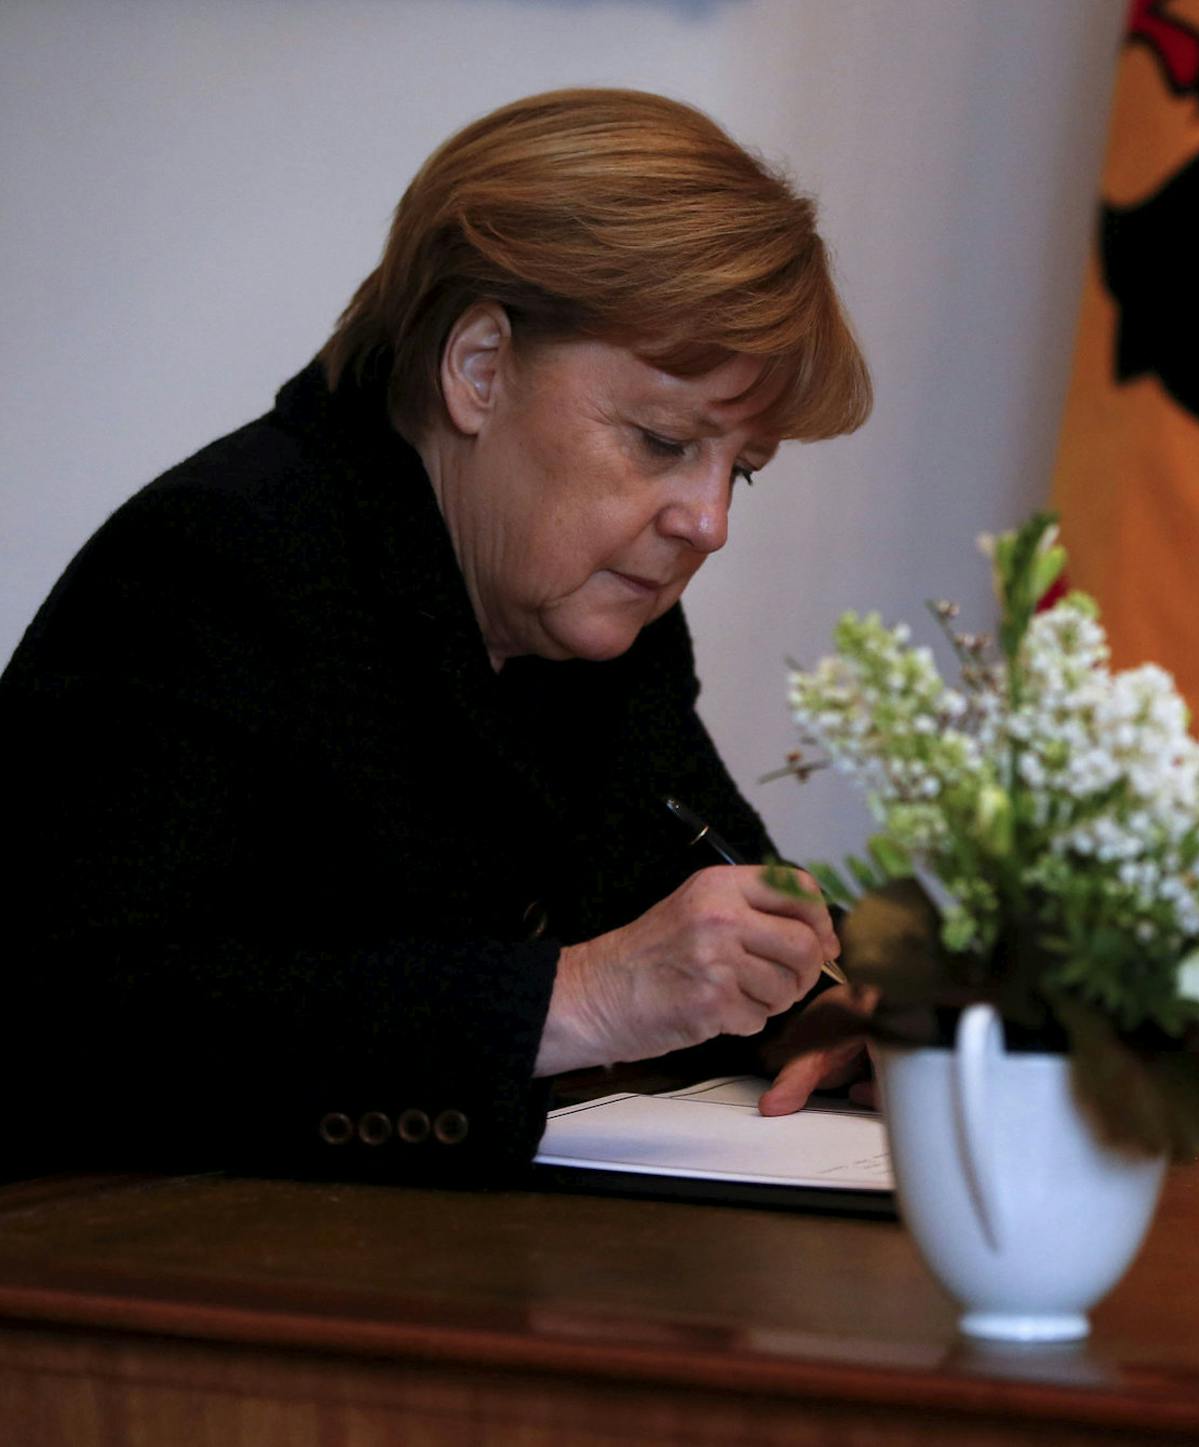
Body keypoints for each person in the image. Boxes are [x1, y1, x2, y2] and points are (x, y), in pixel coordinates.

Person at [0, 90, 876, 1182]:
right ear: (478, 368)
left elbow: (691, 882)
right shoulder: (215, 562)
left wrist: (818, 1008)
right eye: (662, 440)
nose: (710, 520)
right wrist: (586, 995)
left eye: (738, 467)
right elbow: (58, 1023)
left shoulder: (598, 619)